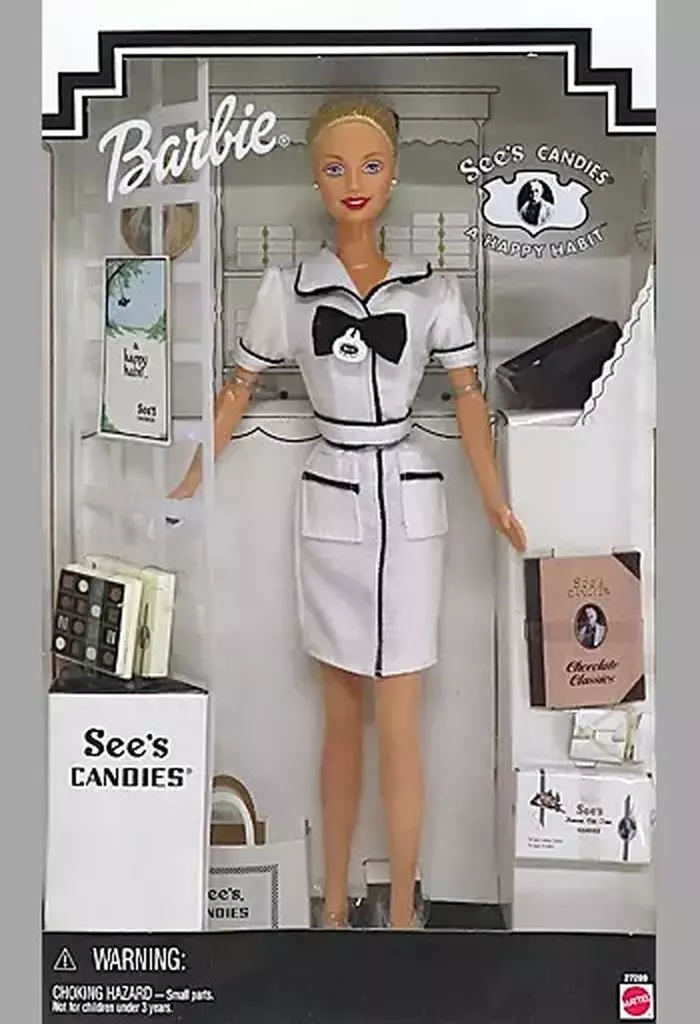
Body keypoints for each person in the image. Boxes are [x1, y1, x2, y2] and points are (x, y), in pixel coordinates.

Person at [170, 97, 527, 930]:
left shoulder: (432, 291)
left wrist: (495, 495)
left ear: (394, 175)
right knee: (340, 716)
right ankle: (331, 905)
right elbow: (237, 389)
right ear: (314, 179)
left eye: (370, 165)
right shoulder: (287, 290)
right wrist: (191, 478)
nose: (353, 182)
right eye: (335, 167)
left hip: (407, 496)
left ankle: (402, 910)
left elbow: (468, 397)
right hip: (330, 494)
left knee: (401, 717)